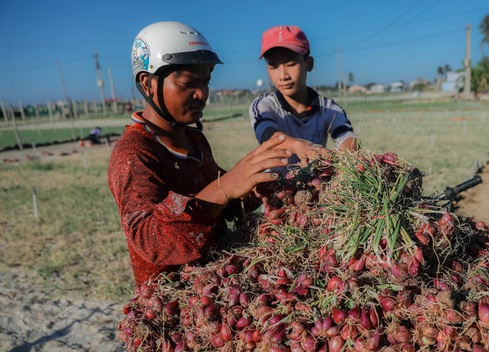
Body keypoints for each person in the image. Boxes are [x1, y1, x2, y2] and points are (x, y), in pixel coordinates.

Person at [108, 21, 324, 286]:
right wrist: (225, 186)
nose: (202, 94)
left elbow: (224, 203)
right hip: (172, 304)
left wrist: (257, 185)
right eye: (189, 83)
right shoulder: (134, 153)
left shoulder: (194, 139)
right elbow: (149, 239)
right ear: (147, 83)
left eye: (206, 82)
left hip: (216, 286)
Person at [249, 25, 358, 169]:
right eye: (274, 66)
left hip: (317, 186)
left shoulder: (329, 109)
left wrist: (346, 159)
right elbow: (268, 135)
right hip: (276, 187)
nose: (283, 76)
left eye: (291, 64)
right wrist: (298, 145)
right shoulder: (263, 106)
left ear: (309, 64)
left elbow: (346, 136)